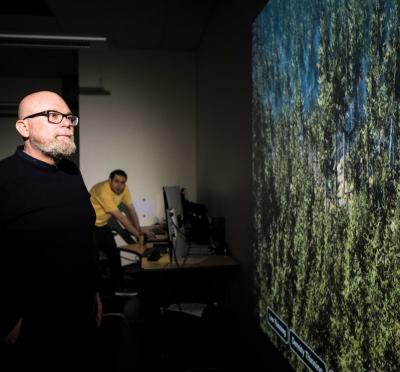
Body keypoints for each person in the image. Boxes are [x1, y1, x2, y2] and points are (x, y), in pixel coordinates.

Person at [0, 91, 102, 369]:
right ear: (24, 127)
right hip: (35, 327)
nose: (67, 123)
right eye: (53, 116)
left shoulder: (71, 172)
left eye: (69, 117)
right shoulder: (4, 178)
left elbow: (82, 237)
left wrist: (93, 292)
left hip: (82, 316)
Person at [90, 170, 155, 296]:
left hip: (102, 225)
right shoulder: (103, 191)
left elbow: (132, 211)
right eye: (116, 181)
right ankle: (94, 293)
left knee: (114, 255)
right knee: (93, 260)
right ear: (110, 180)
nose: (119, 185)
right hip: (89, 226)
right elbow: (121, 218)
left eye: (122, 182)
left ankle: (118, 288)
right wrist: (139, 235)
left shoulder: (124, 190)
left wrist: (140, 230)